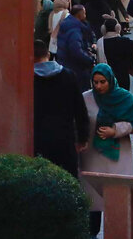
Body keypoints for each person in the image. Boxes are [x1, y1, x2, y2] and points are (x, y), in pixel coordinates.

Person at [80, 64, 133, 239]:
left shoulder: (125, 98)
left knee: (117, 194)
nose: (99, 86)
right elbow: (80, 120)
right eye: (95, 82)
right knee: (93, 194)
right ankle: (91, 234)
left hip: (118, 156)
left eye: (103, 82)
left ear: (110, 80)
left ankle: (118, 234)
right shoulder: (86, 99)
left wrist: (114, 130)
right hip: (92, 155)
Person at [33, 39, 90, 179]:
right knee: (68, 180)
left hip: (38, 141)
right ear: (48, 54)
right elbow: (80, 110)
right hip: (65, 139)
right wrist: (82, 137)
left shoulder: (28, 79)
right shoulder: (69, 76)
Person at [98, 18, 133, 92]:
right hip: (122, 75)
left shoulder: (100, 42)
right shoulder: (123, 41)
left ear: (103, 29)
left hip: (106, 75)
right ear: (118, 28)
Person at [56, 5, 96, 91]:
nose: (85, 15)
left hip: (66, 65)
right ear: (79, 15)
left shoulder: (67, 25)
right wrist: (90, 60)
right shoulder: (75, 30)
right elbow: (76, 51)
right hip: (76, 69)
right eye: (84, 13)